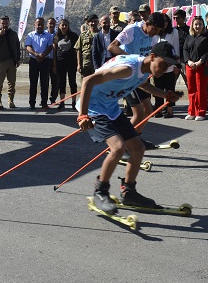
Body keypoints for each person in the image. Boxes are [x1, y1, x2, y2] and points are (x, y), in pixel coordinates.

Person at [76, 41, 181, 213]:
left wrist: (165, 95)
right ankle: (100, 192)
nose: (165, 69)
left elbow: (142, 84)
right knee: (118, 148)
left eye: (168, 66)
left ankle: (129, 191)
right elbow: (88, 81)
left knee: (138, 148)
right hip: (94, 108)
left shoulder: (142, 70)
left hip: (110, 107)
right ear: (152, 57)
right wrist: (83, 115)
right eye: (163, 64)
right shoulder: (128, 68)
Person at [108, 12, 164, 135]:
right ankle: (121, 143)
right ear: (147, 23)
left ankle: (134, 139)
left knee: (148, 111)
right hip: (126, 75)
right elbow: (112, 47)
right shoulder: (132, 30)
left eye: (158, 30)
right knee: (138, 113)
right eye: (154, 29)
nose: (155, 33)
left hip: (139, 75)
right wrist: (132, 60)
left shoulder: (153, 36)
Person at [183, 16, 208, 121]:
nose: (197, 26)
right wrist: (189, 61)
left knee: (201, 89)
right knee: (191, 88)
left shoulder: (207, 36)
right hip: (190, 66)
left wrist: (200, 61)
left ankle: (201, 112)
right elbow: (185, 50)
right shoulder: (189, 37)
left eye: (200, 24)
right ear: (192, 25)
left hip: (202, 66)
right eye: (196, 24)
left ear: (203, 25)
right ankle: (191, 111)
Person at [0, 15, 20, 109]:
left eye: (6, 23)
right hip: (0, 62)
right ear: (0, 23)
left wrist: (18, 59)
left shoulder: (13, 33)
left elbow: (17, 47)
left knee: (12, 84)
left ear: (9, 23)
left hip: (12, 61)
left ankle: (11, 101)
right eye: (3, 23)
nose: (5, 25)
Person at [153, 14, 179, 118]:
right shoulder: (155, 33)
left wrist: (176, 64)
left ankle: (169, 109)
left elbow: (176, 48)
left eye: (166, 21)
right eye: (162, 22)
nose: (165, 23)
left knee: (169, 88)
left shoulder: (174, 32)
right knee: (158, 87)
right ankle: (158, 108)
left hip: (170, 64)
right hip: (157, 64)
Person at [24, 17, 54, 109]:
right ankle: (32, 103)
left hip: (45, 61)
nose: (40, 26)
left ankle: (44, 103)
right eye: (38, 24)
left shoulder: (48, 35)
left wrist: (43, 55)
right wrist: (36, 54)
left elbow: (50, 47)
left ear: (44, 25)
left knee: (44, 83)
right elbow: (28, 47)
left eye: (41, 24)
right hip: (34, 61)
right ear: (35, 24)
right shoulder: (30, 35)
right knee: (33, 82)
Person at [54, 19, 79, 110]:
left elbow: (77, 50)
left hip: (71, 62)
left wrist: (78, 63)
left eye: (65, 25)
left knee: (72, 82)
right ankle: (62, 102)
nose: (64, 27)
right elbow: (54, 51)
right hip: (60, 62)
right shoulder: (56, 37)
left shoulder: (73, 36)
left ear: (68, 26)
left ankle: (73, 102)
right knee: (62, 83)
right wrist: (54, 65)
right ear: (59, 26)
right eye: (62, 25)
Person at [75, 14, 98, 78]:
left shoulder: (100, 34)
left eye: (95, 21)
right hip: (86, 63)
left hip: (97, 63)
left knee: (97, 83)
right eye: (91, 21)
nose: (93, 23)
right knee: (85, 82)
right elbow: (78, 49)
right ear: (88, 23)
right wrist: (79, 64)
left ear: (98, 22)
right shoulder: (83, 35)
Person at [46, 17, 58, 104]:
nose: (52, 25)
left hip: (55, 60)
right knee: (44, 81)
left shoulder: (57, 35)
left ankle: (53, 98)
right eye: (50, 23)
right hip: (45, 60)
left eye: (53, 24)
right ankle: (44, 98)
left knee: (55, 81)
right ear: (47, 24)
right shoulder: (44, 34)